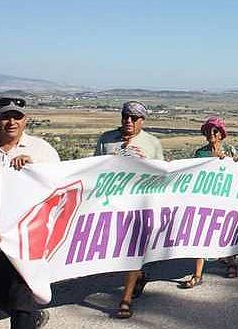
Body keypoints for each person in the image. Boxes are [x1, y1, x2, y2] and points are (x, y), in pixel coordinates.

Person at [0, 97, 59, 329]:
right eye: (6, 116)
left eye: (17, 116)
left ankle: (27, 317)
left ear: (25, 120)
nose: (12, 121)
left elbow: (59, 184)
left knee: (22, 301)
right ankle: (33, 317)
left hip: (29, 239)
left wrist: (35, 166)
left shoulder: (41, 149)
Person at [94, 101, 164, 319]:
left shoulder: (152, 143)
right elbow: (93, 169)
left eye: (134, 118)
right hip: (111, 204)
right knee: (117, 248)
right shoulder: (106, 139)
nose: (129, 121)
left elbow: (162, 174)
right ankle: (140, 274)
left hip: (139, 205)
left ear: (142, 121)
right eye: (126, 116)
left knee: (133, 249)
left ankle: (125, 299)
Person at [180, 117, 238, 288]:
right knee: (201, 234)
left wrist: (230, 161)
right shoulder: (200, 153)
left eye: (215, 131)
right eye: (208, 131)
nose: (211, 134)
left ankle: (231, 262)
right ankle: (197, 274)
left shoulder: (230, 151)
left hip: (225, 199)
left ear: (221, 134)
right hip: (205, 200)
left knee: (226, 232)